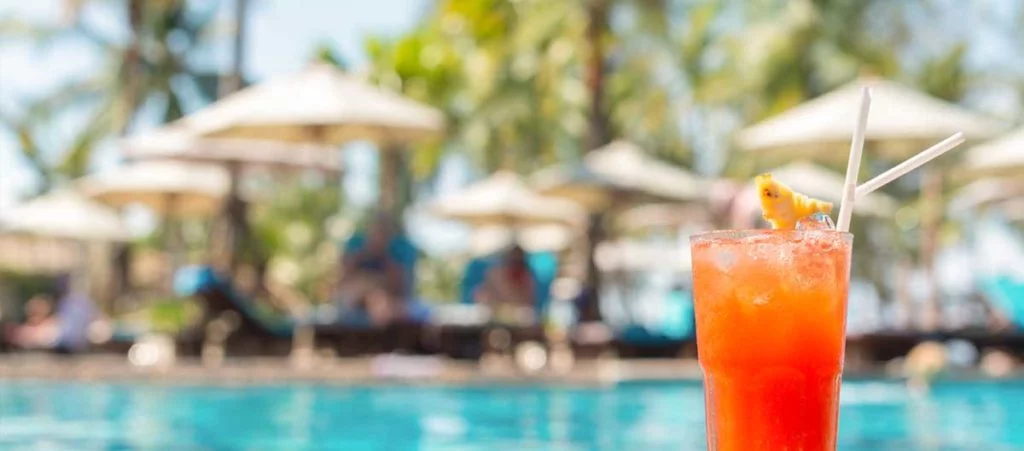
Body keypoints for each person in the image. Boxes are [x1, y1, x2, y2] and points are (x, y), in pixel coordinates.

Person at [335, 214, 409, 326]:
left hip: (381, 298)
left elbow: (397, 287)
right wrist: (364, 253)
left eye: (383, 234)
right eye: (376, 232)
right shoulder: (355, 247)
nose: (378, 237)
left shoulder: (394, 254)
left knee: (380, 301)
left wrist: (384, 256)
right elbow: (343, 279)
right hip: (354, 296)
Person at [474, 245, 537, 325]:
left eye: (518, 261)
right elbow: (481, 295)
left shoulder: (526, 277)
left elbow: (528, 301)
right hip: (493, 318)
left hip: (517, 321)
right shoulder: (495, 273)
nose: (515, 264)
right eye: (513, 261)